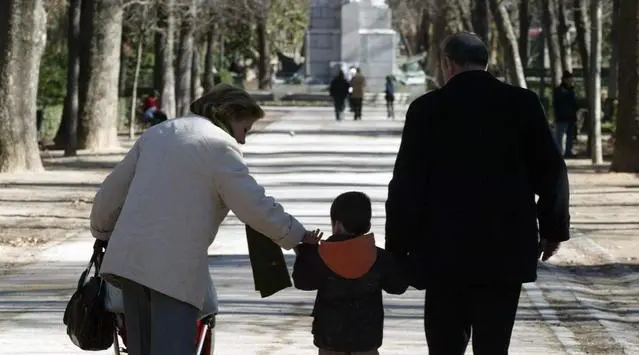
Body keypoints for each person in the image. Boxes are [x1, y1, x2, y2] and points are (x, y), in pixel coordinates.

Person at [89, 84, 321, 355]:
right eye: (245, 129)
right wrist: (297, 235)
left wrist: (101, 229)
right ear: (230, 115)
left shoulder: (158, 133)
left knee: (140, 349)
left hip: (129, 263)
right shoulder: (219, 147)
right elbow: (254, 205)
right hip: (173, 271)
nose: (243, 140)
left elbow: (111, 193)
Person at [385, 32, 570, 354]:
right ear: (487, 62)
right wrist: (553, 229)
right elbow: (552, 171)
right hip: (505, 248)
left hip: (443, 250)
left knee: (444, 346)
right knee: (494, 345)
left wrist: (398, 250)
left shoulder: (427, 109)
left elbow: (405, 185)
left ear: (447, 64)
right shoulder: (522, 103)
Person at [293, 191, 408, 355]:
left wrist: (308, 250)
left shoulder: (322, 255)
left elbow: (303, 282)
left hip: (330, 340)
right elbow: (397, 286)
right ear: (367, 225)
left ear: (337, 225)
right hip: (367, 340)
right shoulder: (378, 257)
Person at [553, 71, 578, 157]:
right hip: (562, 117)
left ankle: (568, 152)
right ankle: (559, 152)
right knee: (560, 136)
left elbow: (574, 104)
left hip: (571, 117)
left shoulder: (572, 91)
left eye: (571, 79)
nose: (570, 81)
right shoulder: (558, 91)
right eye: (569, 79)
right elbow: (556, 103)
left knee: (570, 136)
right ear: (564, 80)